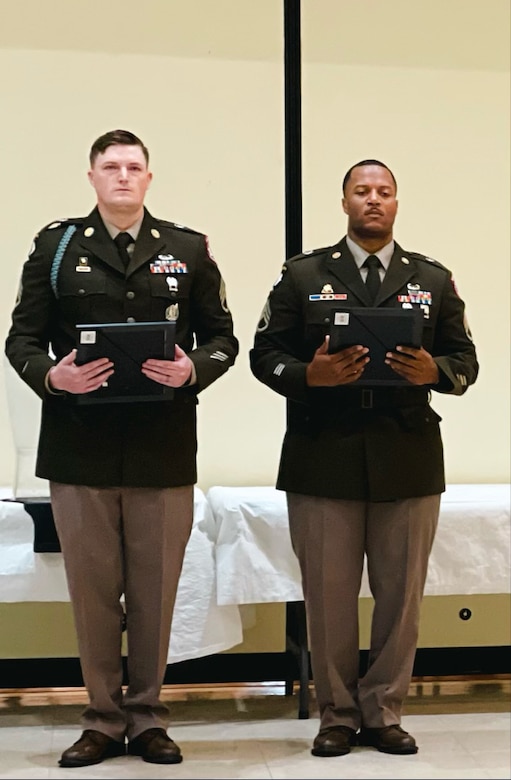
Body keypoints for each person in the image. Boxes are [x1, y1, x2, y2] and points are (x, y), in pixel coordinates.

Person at [5, 129, 238, 767]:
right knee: (94, 591)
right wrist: (52, 376)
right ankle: (103, 719)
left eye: (134, 167)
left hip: (161, 449)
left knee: (157, 589)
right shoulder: (56, 248)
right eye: (111, 167)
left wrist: (194, 368)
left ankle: (149, 717)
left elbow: (224, 338)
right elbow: (21, 339)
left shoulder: (187, 250)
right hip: (79, 450)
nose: (123, 177)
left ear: (149, 178)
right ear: (91, 177)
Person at [249, 159, 478, 758]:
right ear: (344, 202)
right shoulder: (302, 277)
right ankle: (337, 715)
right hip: (324, 454)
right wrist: (310, 374)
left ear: (397, 203)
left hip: (407, 455)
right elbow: (263, 354)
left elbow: (465, 360)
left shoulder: (431, 277)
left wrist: (439, 372)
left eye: (384, 192)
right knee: (328, 597)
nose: (373, 200)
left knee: (401, 598)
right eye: (362, 191)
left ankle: (385, 710)